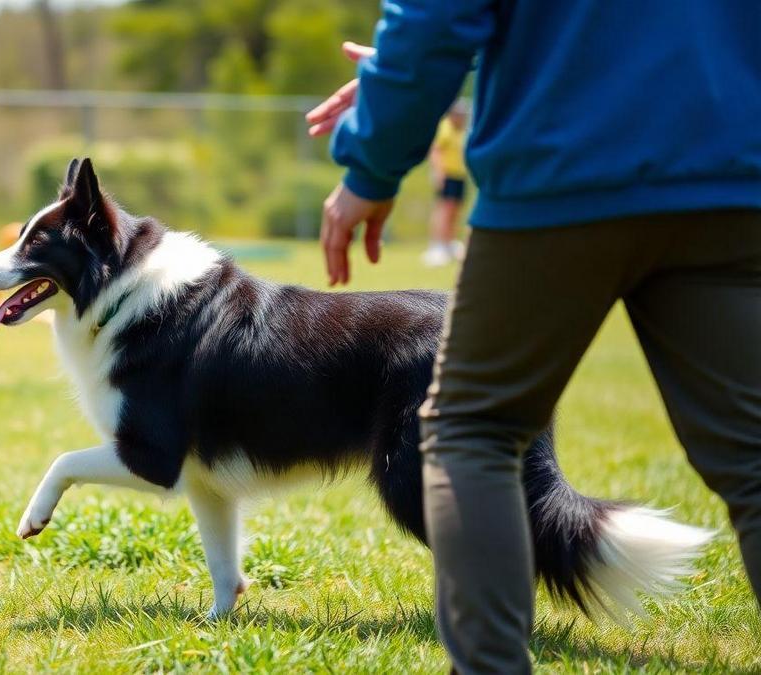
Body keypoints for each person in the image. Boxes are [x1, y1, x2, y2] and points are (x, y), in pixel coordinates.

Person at [305, 3, 760, 673]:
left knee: (471, 430)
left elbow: (437, 17)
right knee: (753, 455)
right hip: (727, 168)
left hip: (561, 168)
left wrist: (371, 159)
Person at [424, 100, 469, 267]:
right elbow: (435, 150)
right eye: (460, 115)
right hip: (447, 175)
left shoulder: (462, 131)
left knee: (455, 210)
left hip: (459, 176)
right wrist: (438, 172)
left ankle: (449, 243)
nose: (462, 118)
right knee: (444, 210)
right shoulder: (445, 128)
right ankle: (437, 246)